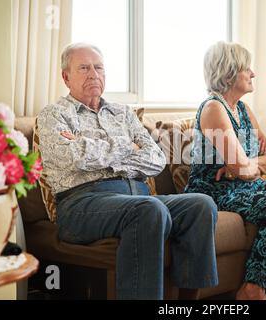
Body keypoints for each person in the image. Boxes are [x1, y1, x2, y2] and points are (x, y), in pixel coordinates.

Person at [37, 43, 219, 300]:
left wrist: (94, 149)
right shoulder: (53, 115)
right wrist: (127, 146)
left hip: (137, 196)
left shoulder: (123, 114)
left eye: (98, 67)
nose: (94, 74)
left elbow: (155, 161)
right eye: (84, 68)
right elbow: (71, 157)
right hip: (82, 204)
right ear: (66, 77)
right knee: (149, 209)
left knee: (201, 205)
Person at [184, 41, 266, 300]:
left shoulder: (242, 109)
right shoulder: (213, 108)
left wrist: (242, 167)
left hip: (242, 185)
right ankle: (252, 286)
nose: (253, 73)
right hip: (215, 192)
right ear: (229, 72)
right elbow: (244, 168)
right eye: (247, 68)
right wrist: (243, 168)